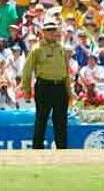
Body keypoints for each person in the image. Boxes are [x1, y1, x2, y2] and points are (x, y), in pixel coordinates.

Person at [21, 19, 71, 149]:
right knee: (41, 119)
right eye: (49, 30)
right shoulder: (37, 49)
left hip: (60, 87)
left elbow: (65, 70)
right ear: (43, 33)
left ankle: (62, 149)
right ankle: (37, 148)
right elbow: (27, 70)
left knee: (61, 120)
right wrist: (26, 90)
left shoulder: (61, 48)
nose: (52, 33)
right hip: (44, 86)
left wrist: (69, 91)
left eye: (54, 30)